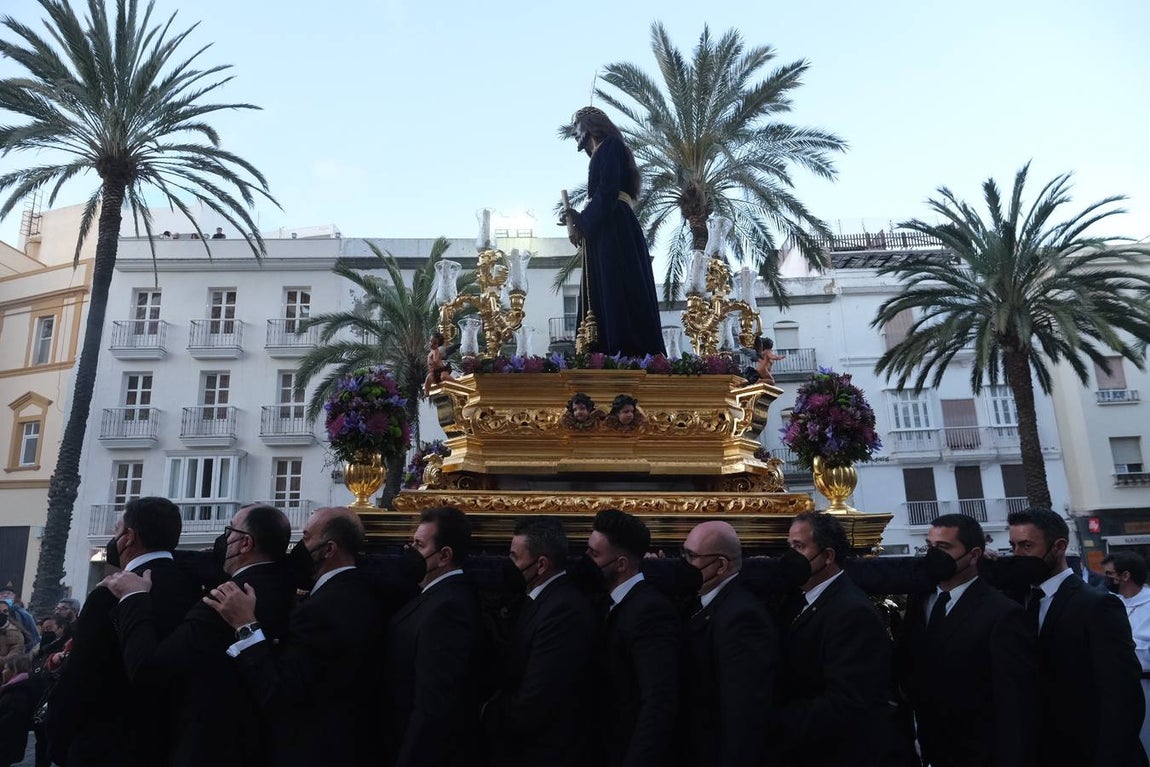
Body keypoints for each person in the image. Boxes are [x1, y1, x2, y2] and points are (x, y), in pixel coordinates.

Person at [101, 504, 297, 767]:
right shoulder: (286, 587)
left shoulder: (224, 600)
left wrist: (133, 598)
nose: (223, 542)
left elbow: (148, 669)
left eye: (229, 533)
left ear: (245, 543)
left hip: (213, 746)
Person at [205, 506, 387, 767]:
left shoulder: (324, 608)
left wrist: (246, 625)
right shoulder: (359, 590)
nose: (300, 547)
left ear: (329, 549)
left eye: (306, 538)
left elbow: (280, 692)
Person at [46, 496, 203, 767]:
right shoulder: (193, 587)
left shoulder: (109, 593)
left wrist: (58, 740)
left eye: (116, 531)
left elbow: (82, 675)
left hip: (109, 743)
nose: (113, 538)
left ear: (129, 537)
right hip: (175, 739)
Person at [894, 513, 1037, 767]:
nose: (933, 555)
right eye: (929, 547)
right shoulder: (920, 599)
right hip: (927, 749)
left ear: (973, 555)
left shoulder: (1002, 613)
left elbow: (1013, 704)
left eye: (944, 547)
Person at [1007, 508, 1147, 767]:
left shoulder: (1097, 605)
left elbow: (1122, 695)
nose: (1018, 555)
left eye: (1027, 545)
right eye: (1013, 546)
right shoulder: (1020, 601)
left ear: (1058, 546)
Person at [775, 511, 901, 766]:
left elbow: (847, 702)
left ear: (828, 556)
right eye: (789, 546)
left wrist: (774, 721)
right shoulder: (798, 600)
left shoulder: (851, 612)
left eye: (799, 547)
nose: (790, 556)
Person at [483, 516, 596, 767]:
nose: (509, 564)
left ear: (541, 564)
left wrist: (486, 713)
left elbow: (537, 698)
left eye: (515, 557)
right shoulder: (540, 600)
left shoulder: (563, 611)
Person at [385, 507, 484, 767]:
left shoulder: (448, 607)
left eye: (418, 545)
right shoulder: (434, 595)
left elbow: (433, 702)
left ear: (444, 556)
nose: (411, 551)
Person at [562, 106, 665, 357]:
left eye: (576, 129)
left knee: (615, 283)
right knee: (604, 285)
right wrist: (579, 219)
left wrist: (583, 223)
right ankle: (602, 346)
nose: (575, 135)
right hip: (605, 226)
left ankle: (621, 346)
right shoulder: (604, 151)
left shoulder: (610, 147)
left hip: (614, 226)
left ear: (589, 126)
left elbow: (607, 191)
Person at [677, 520, 776, 766]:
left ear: (720, 565)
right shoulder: (703, 601)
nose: (684, 564)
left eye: (691, 556)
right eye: (683, 553)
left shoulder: (742, 617)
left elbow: (742, 712)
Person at [585, 509, 679, 767]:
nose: (586, 561)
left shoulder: (650, 611)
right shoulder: (606, 602)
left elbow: (658, 702)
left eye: (594, 555)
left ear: (622, 564)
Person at [1103, 551, 1150, 758]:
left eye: (1109, 574)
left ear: (1125, 576)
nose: (1106, 579)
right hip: (1116, 690)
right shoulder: (1107, 602)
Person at [0, 654, 42, 767]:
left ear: (14, 671)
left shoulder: (18, 692)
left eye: (6, 668)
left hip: (6, 743)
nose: (3, 671)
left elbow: (11, 720)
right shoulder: (15, 687)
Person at [423, 332, 451, 396]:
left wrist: (432, 362)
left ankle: (455, 382)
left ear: (438, 345)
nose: (432, 344)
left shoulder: (436, 351)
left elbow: (436, 360)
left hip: (441, 370)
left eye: (435, 343)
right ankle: (426, 393)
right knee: (428, 378)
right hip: (434, 372)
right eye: (431, 342)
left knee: (444, 376)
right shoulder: (431, 351)